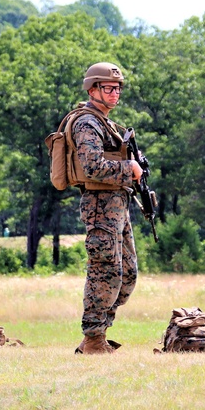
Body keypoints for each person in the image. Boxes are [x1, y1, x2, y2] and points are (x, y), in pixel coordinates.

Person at [70, 62, 143, 354]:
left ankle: (99, 332)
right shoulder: (86, 122)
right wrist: (129, 167)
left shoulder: (105, 123)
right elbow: (92, 167)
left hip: (117, 204)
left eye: (118, 88)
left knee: (128, 273)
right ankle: (93, 339)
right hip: (100, 206)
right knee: (105, 271)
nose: (115, 93)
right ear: (92, 89)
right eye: (109, 88)